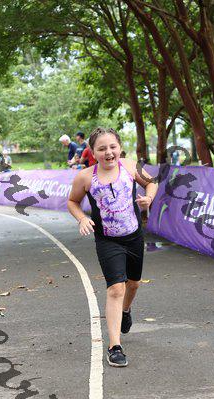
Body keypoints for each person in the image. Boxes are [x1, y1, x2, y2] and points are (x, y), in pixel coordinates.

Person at [67, 127, 158, 368]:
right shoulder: (85, 177)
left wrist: (149, 198)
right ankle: (115, 346)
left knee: (133, 284)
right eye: (102, 149)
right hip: (107, 240)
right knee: (116, 288)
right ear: (92, 152)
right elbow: (72, 201)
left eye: (112, 147)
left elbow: (152, 183)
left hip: (134, 236)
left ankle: (126, 311)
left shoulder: (129, 166)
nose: (108, 152)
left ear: (119, 148)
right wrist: (82, 218)